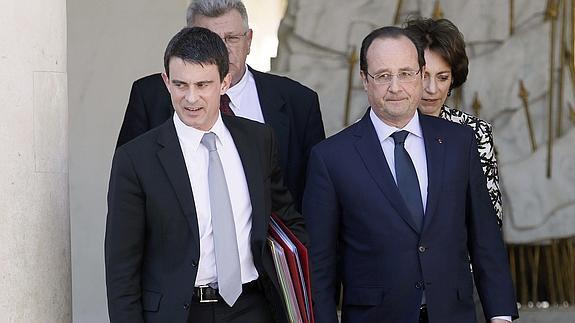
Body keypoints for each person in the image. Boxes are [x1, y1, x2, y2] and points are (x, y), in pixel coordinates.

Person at [303, 26, 517, 323]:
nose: (395, 86)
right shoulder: (331, 158)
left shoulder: (459, 143)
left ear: (419, 74)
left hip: (453, 315)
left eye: (405, 73)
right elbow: (319, 266)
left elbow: (485, 239)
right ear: (365, 80)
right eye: (383, 75)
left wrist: (501, 315)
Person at [105, 27, 307, 323]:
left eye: (202, 85)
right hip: (179, 313)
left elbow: (287, 220)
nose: (191, 98)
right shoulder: (135, 159)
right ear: (166, 82)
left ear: (224, 82)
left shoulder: (258, 141)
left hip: (253, 307)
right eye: (180, 85)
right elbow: (121, 267)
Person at [116, 0, 325, 212]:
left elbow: (315, 199)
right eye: (209, 40)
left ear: (249, 41)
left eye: (231, 38)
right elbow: (128, 193)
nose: (222, 52)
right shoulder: (150, 96)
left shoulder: (299, 101)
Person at [404, 17, 502, 227]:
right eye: (424, 76)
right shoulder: (376, 132)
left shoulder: (476, 132)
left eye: (442, 77)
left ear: (453, 80)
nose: (432, 89)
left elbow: (489, 219)